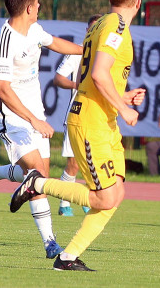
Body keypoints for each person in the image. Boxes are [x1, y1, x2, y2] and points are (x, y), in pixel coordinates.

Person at [9, 0, 146, 272]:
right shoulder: (116, 27)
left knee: (116, 194)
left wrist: (123, 98)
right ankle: (37, 182)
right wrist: (124, 110)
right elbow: (97, 74)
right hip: (92, 122)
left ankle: (67, 258)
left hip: (104, 120)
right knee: (104, 197)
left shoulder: (101, 24)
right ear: (138, 2)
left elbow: (95, 78)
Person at [0, 0, 83, 258]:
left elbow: (55, 43)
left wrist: (86, 50)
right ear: (28, 8)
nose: (40, 7)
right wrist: (33, 121)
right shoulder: (4, 41)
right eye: (37, 4)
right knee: (36, 173)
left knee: (39, 176)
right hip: (13, 118)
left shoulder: (34, 29)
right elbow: (3, 90)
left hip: (35, 113)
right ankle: (50, 243)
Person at [53, 13, 102, 216]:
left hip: (97, 116)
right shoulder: (77, 52)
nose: (94, 32)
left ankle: (87, 198)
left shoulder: (105, 55)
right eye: (91, 28)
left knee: (93, 162)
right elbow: (58, 78)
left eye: (98, 28)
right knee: (73, 163)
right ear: (87, 30)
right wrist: (77, 85)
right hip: (77, 114)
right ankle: (64, 204)